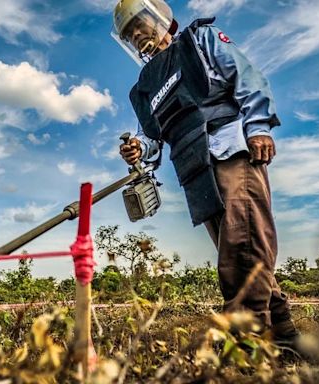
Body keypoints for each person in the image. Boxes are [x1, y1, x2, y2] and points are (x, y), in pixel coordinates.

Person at [113, 0, 299, 346]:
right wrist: (140, 149)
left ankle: (247, 341)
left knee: (243, 244)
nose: (136, 35)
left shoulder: (201, 40)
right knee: (239, 250)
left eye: (140, 24)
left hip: (231, 151)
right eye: (129, 33)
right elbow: (153, 136)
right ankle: (284, 334)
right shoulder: (147, 85)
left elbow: (246, 75)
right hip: (194, 172)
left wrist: (258, 126)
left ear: (161, 18)